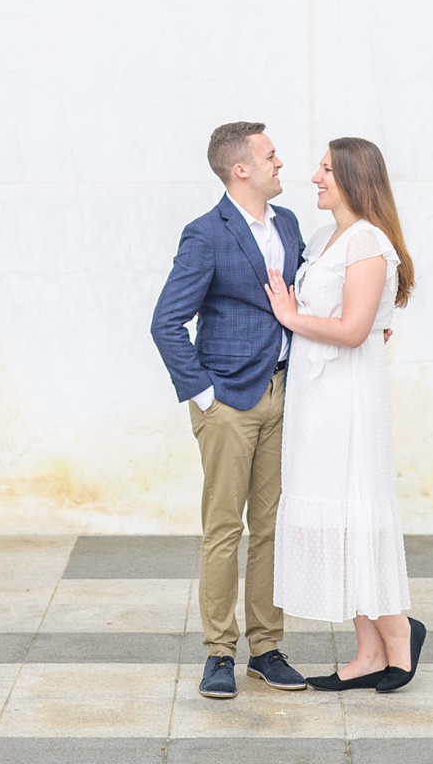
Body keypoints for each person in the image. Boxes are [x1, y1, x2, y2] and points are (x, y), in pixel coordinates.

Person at [150, 122, 311, 699]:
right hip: (227, 403)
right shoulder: (205, 234)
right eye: (271, 155)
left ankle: (266, 649)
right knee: (224, 528)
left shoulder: (288, 225)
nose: (280, 163)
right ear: (240, 169)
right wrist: (204, 395)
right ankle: (220, 652)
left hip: (281, 395)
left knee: (271, 526)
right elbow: (166, 323)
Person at [266, 136, 422, 692]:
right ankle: (368, 651)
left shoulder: (369, 243)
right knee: (332, 525)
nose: (315, 176)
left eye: (328, 169)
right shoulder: (325, 236)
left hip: (348, 401)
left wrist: (289, 315)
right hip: (317, 396)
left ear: (355, 178)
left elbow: (355, 331)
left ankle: (398, 633)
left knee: (353, 511)